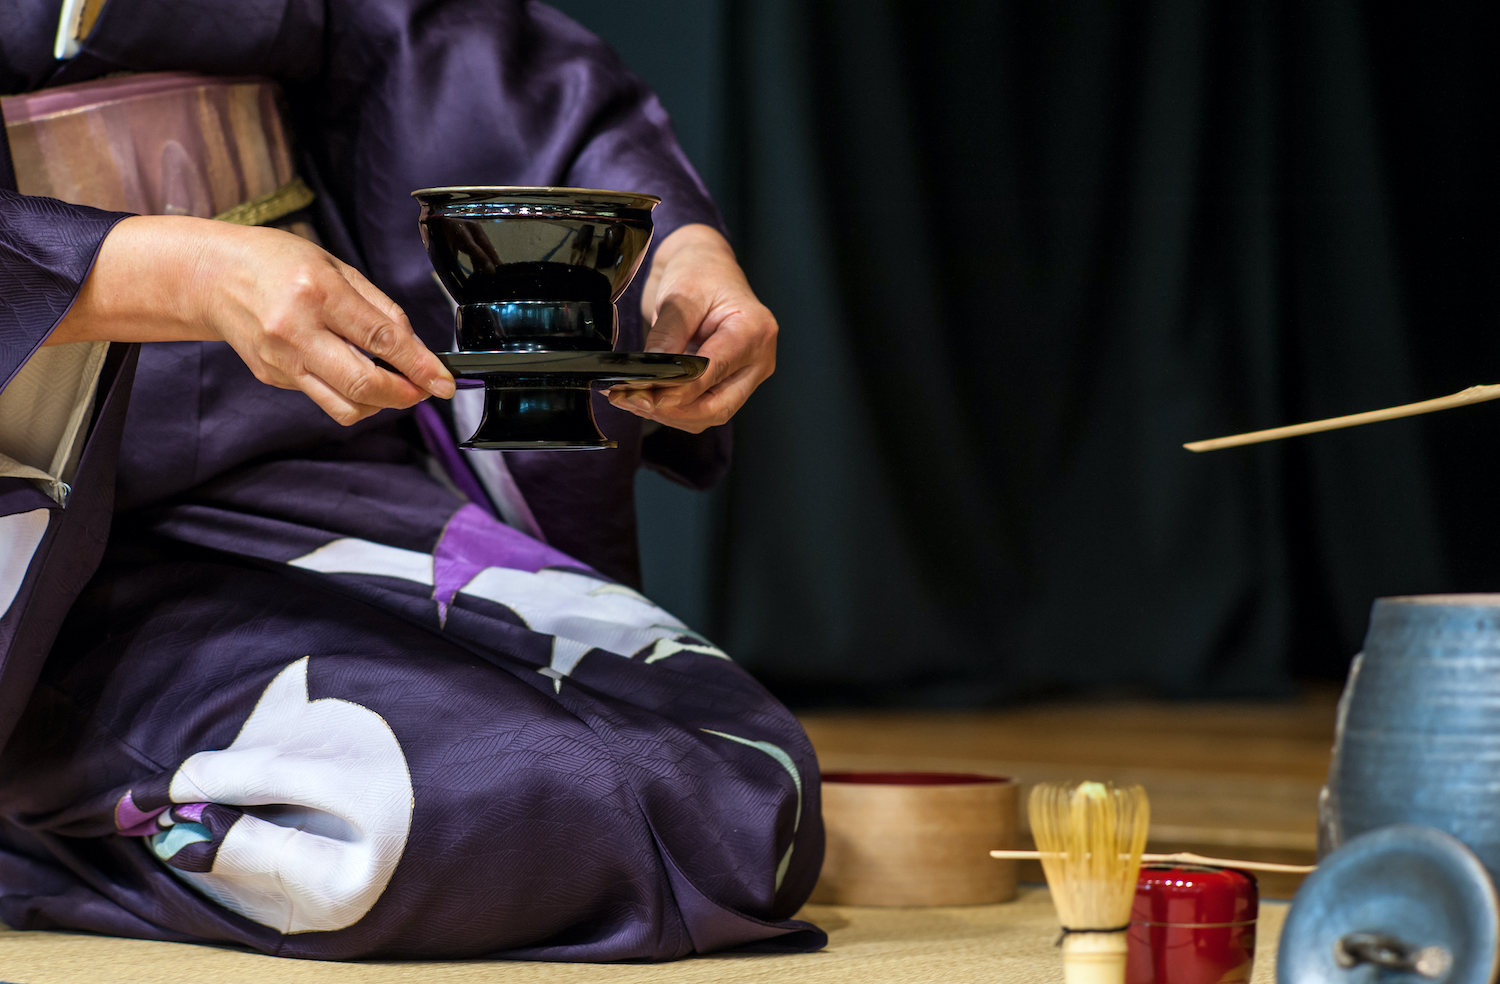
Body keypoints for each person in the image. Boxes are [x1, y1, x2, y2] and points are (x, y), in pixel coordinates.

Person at [0, 0, 822, 962]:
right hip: (39, 509)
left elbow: (455, 53)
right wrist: (166, 271)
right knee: (437, 814)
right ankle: (30, 820)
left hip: (289, 442)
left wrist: (674, 245)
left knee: (744, 776)